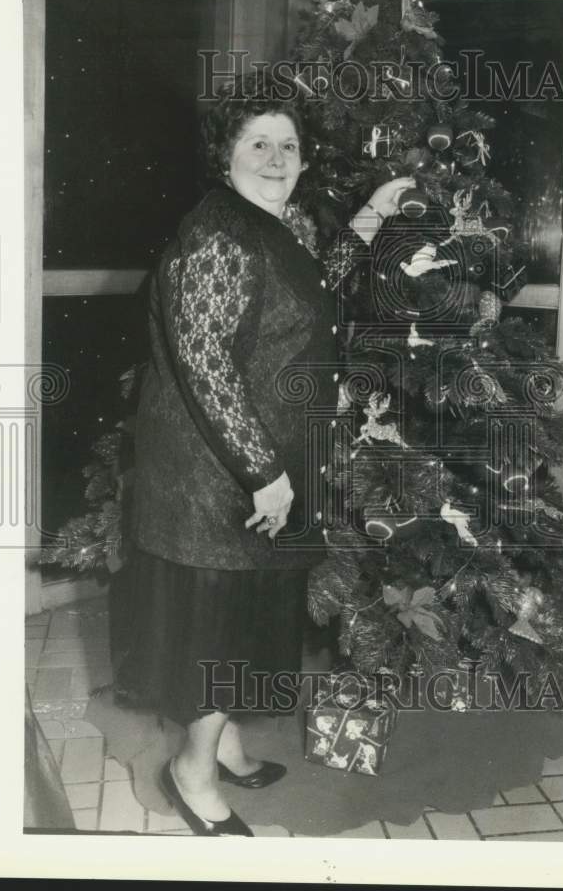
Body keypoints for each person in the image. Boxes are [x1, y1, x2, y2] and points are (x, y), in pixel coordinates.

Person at [112, 75, 414, 837]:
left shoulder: (271, 226)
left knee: (243, 621)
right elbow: (204, 359)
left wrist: (373, 215)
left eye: (289, 145)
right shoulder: (218, 233)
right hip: (215, 477)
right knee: (215, 627)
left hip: (255, 464)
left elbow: (314, 284)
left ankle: (227, 744)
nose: (277, 157)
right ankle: (192, 770)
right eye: (258, 143)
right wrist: (265, 473)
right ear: (226, 155)